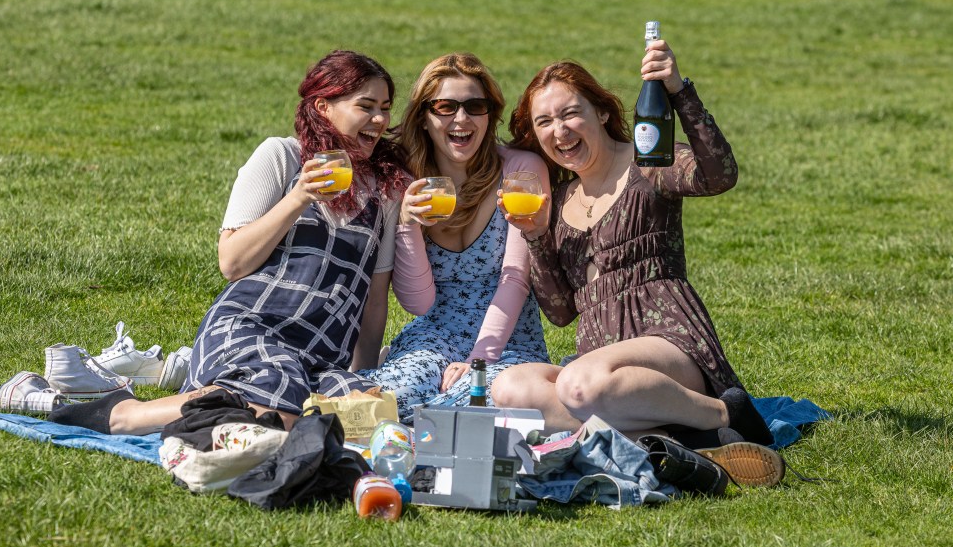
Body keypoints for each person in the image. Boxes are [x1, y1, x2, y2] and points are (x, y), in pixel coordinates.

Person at [48, 50, 410, 434]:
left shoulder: (384, 195)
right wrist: (300, 196)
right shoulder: (283, 158)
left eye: (385, 108)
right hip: (250, 327)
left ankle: (203, 404)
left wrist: (363, 375)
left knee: (368, 418)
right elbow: (232, 263)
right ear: (323, 107)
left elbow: (373, 301)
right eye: (366, 106)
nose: (379, 120)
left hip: (319, 356)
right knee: (278, 408)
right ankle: (125, 415)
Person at [491, 40, 774, 448]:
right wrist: (535, 236)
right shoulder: (557, 200)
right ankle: (681, 438)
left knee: (576, 384)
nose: (560, 130)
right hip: (597, 362)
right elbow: (560, 312)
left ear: (602, 112)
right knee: (511, 387)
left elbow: (719, 175)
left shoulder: (648, 160)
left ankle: (730, 412)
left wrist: (678, 90)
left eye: (571, 113)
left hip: (668, 342)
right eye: (545, 121)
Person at [358, 53, 550, 422]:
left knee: (480, 405)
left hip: (509, 339)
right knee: (389, 402)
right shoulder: (406, 180)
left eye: (475, 106)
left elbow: (516, 278)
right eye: (445, 107)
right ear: (425, 118)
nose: (461, 120)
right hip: (434, 334)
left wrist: (479, 359)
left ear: (489, 116)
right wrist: (408, 225)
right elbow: (418, 303)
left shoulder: (519, 172)